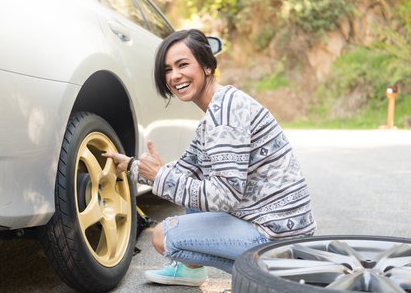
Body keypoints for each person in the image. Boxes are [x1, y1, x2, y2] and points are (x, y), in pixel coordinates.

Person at [103, 29, 316, 287]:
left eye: (183, 65)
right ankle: (193, 271)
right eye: (167, 69)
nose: (174, 76)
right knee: (195, 179)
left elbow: (224, 196)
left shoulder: (223, 118)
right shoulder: (219, 108)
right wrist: (132, 166)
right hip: (278, 224)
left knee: (163, 237)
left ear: (206, 66)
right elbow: (186, 169)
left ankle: (269, 276)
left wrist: (160, 176)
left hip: (274, 236)